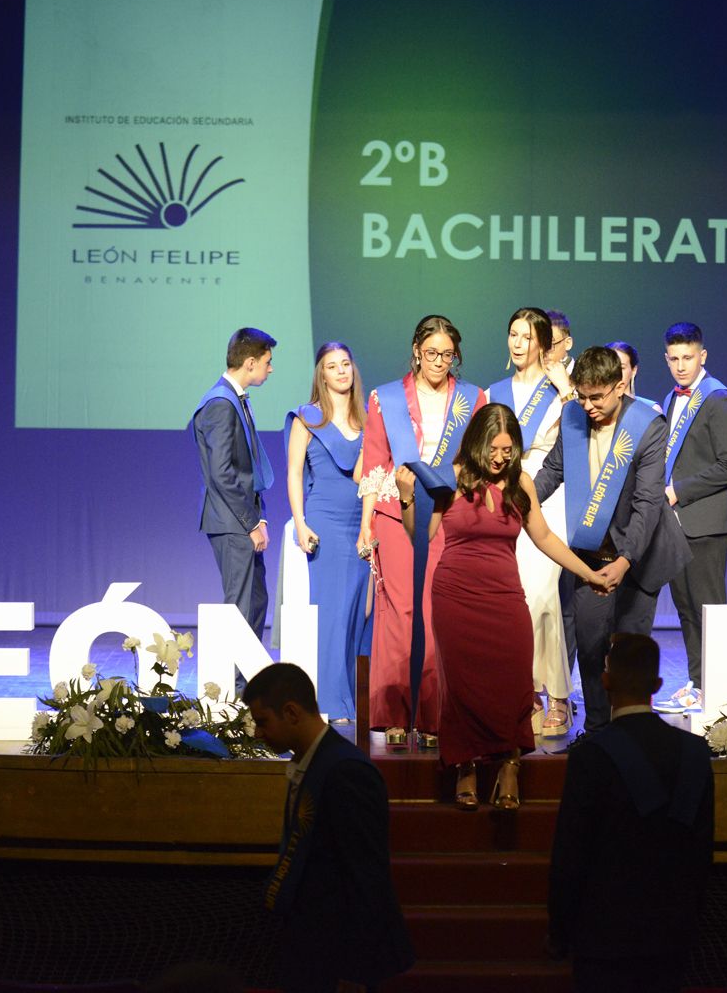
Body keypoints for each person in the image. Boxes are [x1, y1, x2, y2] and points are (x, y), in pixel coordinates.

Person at [394, 403, 609, 809]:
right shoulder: (451, 480)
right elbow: (420, 537)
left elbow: (545, 538)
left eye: (508, 450)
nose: (499, 458)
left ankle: (510, 763)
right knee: (461, 687)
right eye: (493, 449)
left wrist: (589, 573)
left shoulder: (521, 483)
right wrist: (408, 499)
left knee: (513, 681)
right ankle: (466, 767)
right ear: (477, 443)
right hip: (455, 597)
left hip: (505, 596)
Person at [532, 347, 691, 732]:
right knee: (589, 649)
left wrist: (624, 561)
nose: (587, 405)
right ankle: (598, 733)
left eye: (596, 397)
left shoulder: (647, 425)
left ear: (619, 386)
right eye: (581, 395)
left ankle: (631, 735)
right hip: (591, 553)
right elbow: (553, 471)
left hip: (639, 555)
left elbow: (648, 504)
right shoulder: (573, 415)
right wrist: (516, 505)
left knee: (629, 654)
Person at [547, 633, 714, 992]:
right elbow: (702, 851)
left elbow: (570, 854)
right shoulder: (696, 753)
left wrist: (560, 932)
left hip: (604, 937)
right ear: (657, 684)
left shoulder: (591, 756)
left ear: (605, 680)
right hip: (672, 935)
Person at [243, 662, 413, 993]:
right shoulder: (315, 761)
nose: (257, 733)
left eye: (262, 722)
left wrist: (355, 971)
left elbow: (366, 877)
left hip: (339, 958)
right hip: (313, 947)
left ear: (291, 712)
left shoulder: (346, 772)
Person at [358, 315, 484, 747]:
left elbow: (477, 459)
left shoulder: (473, 398)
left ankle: (432, 715)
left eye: (447, 355)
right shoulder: (385, 399)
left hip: (447, 516)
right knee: (398, 613)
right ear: (416, 351)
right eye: (431, 353)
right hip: (395, 516)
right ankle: (394, 714)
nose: (439, 362)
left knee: (436, 613)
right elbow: (375, 464)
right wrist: (365, 527)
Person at [488, 308, 576, 737]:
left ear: (542, 341)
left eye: (526, 336)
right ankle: (526, 691)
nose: (518, 343)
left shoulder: (559, 387)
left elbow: (577, 439)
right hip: (504, 491)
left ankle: (558, 693)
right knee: (515, 597)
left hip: (548, 490)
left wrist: (564, 391)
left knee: (543, 594)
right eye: (512, 334)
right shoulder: (495, 390)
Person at [656, 322, 727, 714]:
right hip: (676, 524)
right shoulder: (672, 398)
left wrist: (678, 492)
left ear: (702, 356)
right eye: (674, 359)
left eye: (688, 357)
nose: (680, 366)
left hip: (707, 522)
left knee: (710, 608)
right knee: (687, 609)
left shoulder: (716, 399)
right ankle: (699, 682)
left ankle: (720, 686)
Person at [285, 342, 372, 723]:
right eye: (332, 366)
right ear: (321, 374)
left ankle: (355, 697)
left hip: (361, 521)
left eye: (346, 364)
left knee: (359, 611)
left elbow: (370, 476)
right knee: (333, 613)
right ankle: (331, 701)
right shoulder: (307, 418)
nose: (340, 371)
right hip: (325, 520)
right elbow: (293, 473)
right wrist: (301, 523)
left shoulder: (368, 421)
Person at [191, 328, 276, 636]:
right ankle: (234, 684)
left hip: (243, 519)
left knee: (255, 601)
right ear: (250, 363)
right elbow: (222, 473)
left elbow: (247, 466)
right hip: (231, 522)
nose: (271, 368)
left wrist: (260, 517)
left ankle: (245, 680)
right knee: (241, 607)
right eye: (268, 361)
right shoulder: (220, 403)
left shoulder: (234, 399)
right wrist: (251, 523)